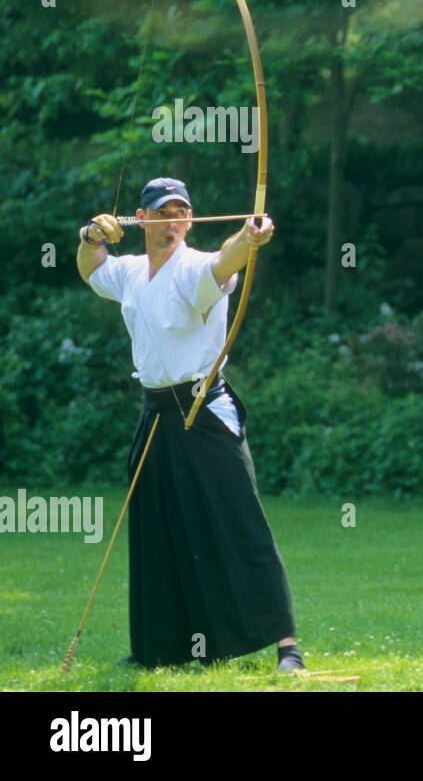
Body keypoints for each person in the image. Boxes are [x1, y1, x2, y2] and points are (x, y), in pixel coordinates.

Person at [77, 177, 304, 670]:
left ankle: (288, 646)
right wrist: (91, 238)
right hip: (155, 413)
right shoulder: (133, 272)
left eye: (181, 211)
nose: (174, 221)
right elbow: (92, 269)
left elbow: (225, 262)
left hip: (203, 412)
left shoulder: (195, 269)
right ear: (141, 219)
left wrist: (248, 237)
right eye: (162, 212)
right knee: (158, 532)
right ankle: (161, 649)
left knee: (240, 524)